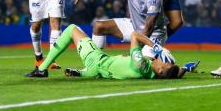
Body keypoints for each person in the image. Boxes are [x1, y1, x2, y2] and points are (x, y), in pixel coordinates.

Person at [35, 24, 191, 80]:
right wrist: (184, 68)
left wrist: (156, 47)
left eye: (162, 63)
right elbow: (173, 73)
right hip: (101, 68)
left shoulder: (141, 65)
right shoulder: (155, 73)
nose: (160, 60)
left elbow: (135, 35)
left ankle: (41, 69)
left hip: (97, 61)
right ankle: (83, 73)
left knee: (71, 30)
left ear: (159, 70)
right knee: (82, 35)